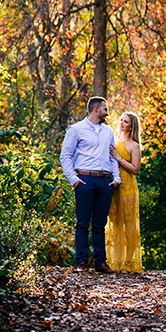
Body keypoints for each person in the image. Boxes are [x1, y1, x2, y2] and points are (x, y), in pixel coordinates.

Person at [59, 97, 121, 274]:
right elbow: (65, 156)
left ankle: (101, 262)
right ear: (96, 109)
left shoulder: (108, 131)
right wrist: (74, 180)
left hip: (105, 181)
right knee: (83, 223)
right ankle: (82, 263)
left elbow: (112, 156)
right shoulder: (76, 130)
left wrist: (115, 178)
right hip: (85, 180)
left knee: (100, 223)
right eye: (105, 109)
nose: (107, 113)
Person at [105, 112, 143, 273]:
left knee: (129, 225)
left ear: (131, 126)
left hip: (128, 188)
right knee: (114, 223)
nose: (121, 123)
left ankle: (129, 264)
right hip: (113, 187)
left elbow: (135, 169)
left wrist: (119, 158)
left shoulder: (133, 145)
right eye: (121, 120)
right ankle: (114, 262)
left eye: (125, 122)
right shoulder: (113, 141)